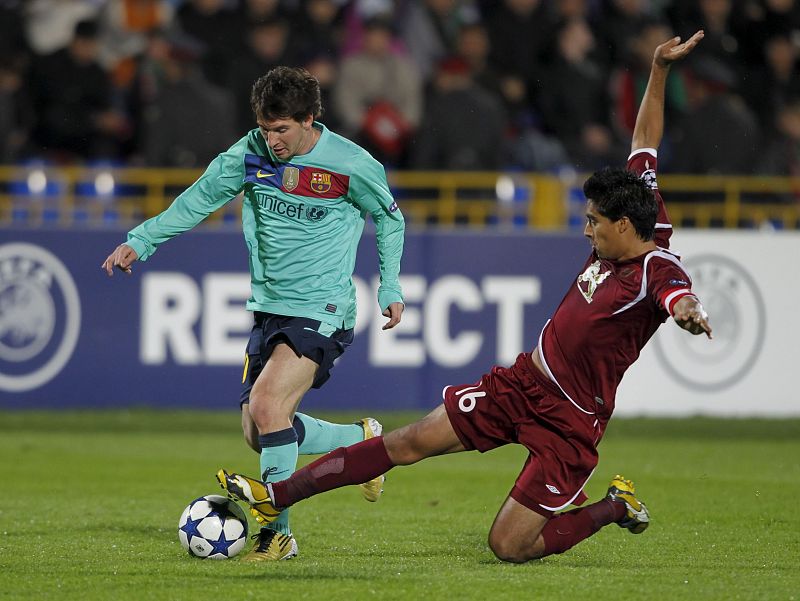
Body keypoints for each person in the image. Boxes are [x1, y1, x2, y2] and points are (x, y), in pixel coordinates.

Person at [217, 31, 712, 564]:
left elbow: (678, 296)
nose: (586, 233)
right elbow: (646, 136)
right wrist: (659, 69)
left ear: (622, 225)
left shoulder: (655, 269)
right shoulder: (640, 199)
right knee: (409, 442)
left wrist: (688, 312)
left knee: (509, 547)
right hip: (525, 382)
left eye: (593, 224)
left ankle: (615, 506)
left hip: (572, 420)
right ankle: (275, 497)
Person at [102, 66, 405, 561]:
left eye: (282, 129)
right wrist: (142, 240)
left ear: (310, 120)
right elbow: (197, 200)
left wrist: (389, 284)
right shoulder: (248, 155)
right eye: (266, 128)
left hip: (323, 308)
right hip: (269, 308)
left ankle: (276, 534)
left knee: (268, 410)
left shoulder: (351, 164)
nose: (273, 140)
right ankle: (363, 442)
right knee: (257, 431)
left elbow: (391, 219)